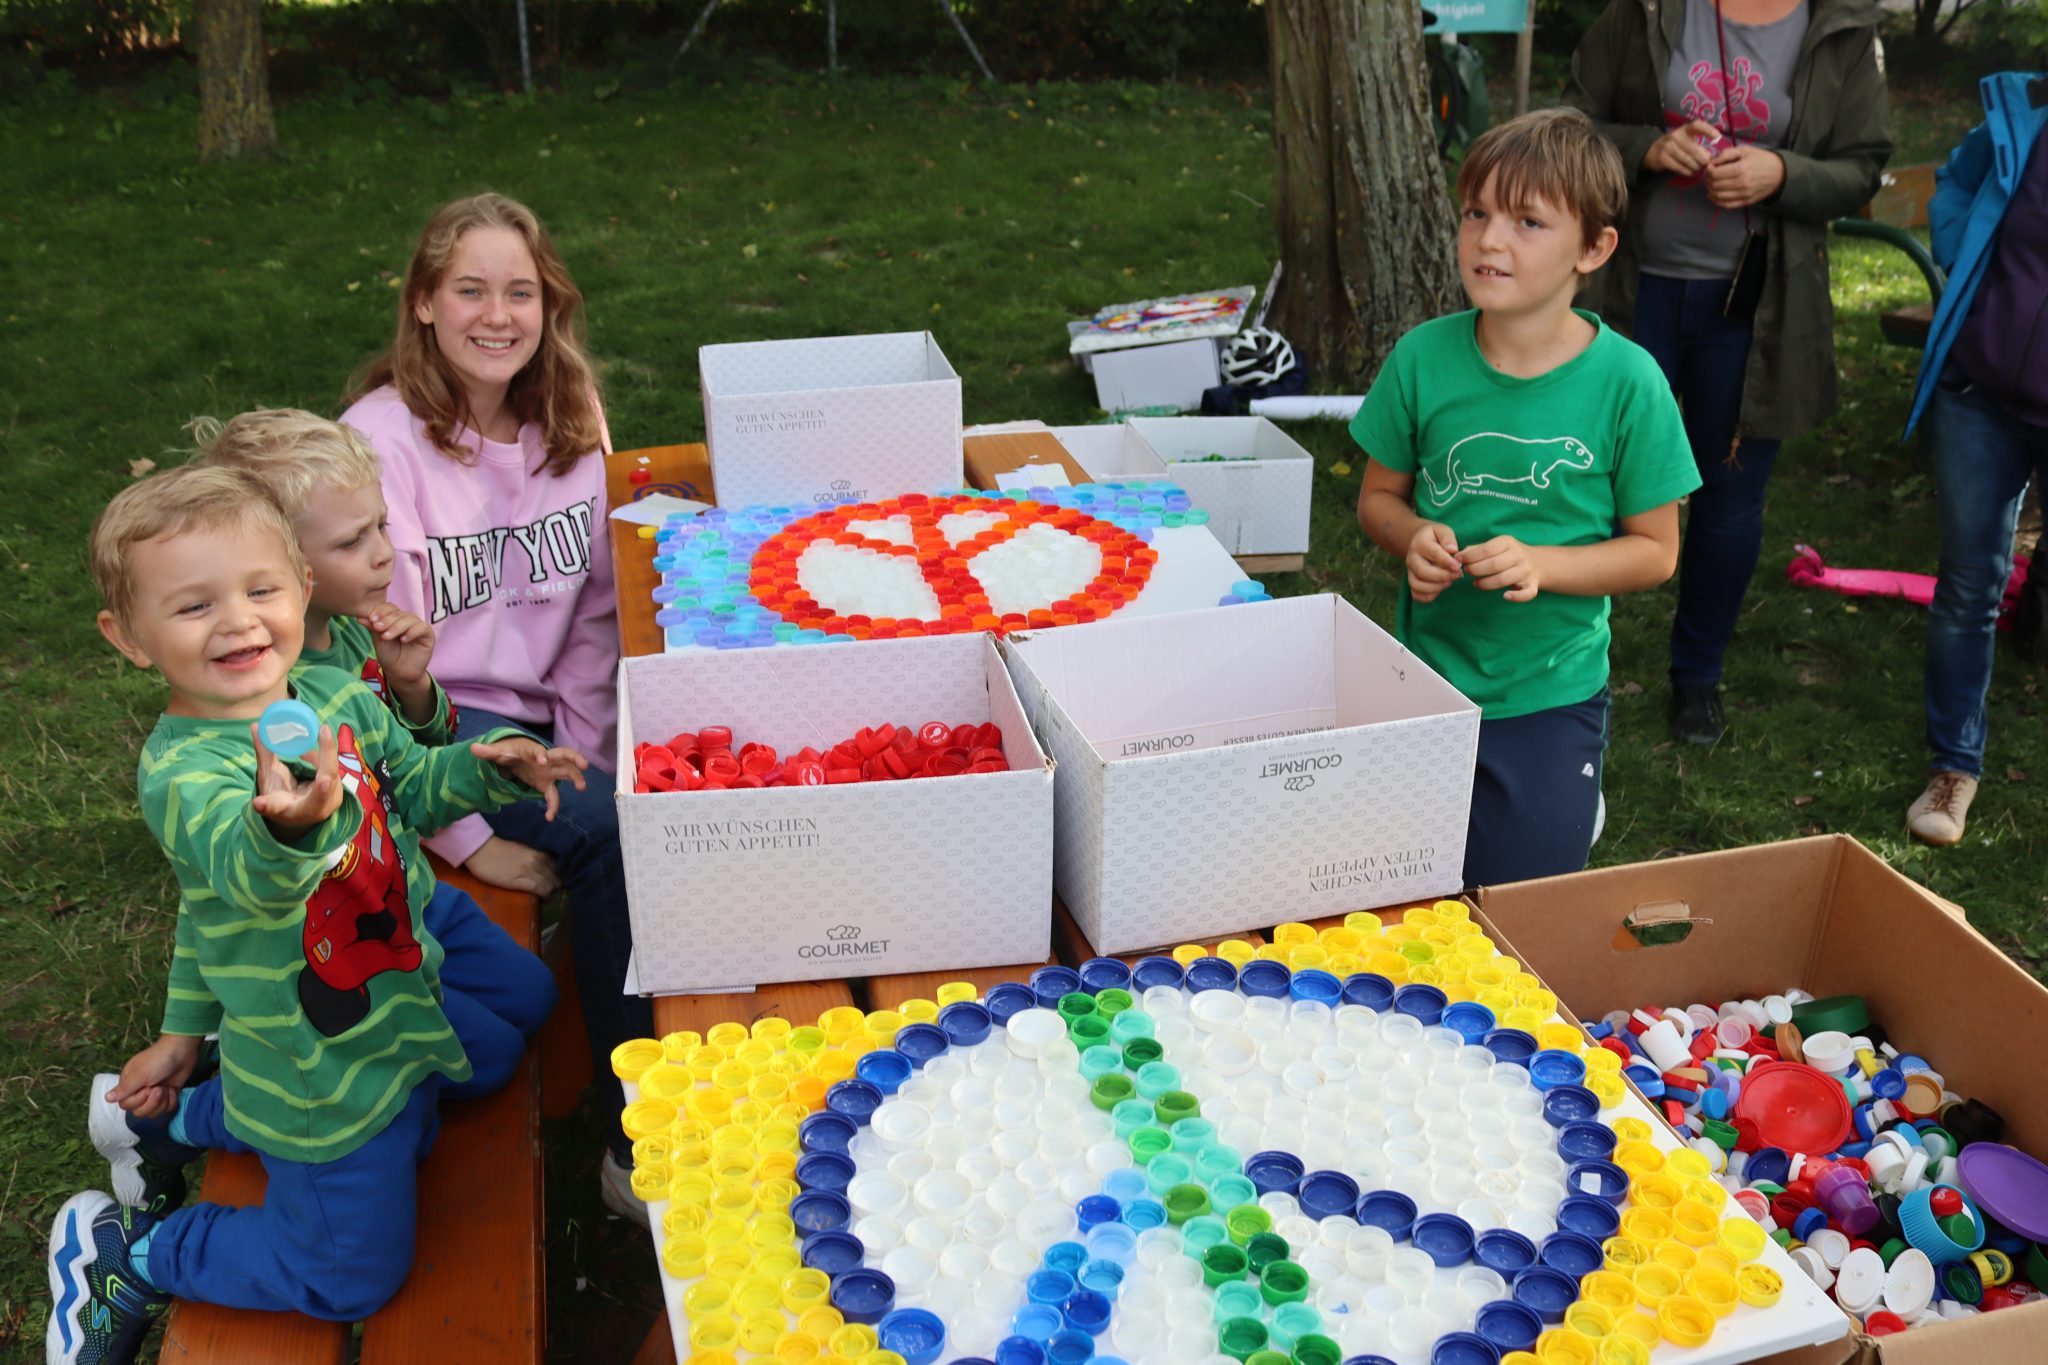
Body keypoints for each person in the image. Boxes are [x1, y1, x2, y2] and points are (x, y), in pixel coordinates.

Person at [49, 466, 585, 1365]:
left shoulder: (331, 693)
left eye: (261, 588)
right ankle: (130, 1255)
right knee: (350, 1274)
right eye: (193, 606)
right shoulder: (186, 774)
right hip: (317, 1067)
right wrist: (290, 834)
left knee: (490, 1058)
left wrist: (487, 767)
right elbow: (243, 878)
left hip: (392, 999)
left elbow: (410, 786)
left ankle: (160, 1121)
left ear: (300, 587)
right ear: (129, 637)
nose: (238, 620)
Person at [340, 192, 652, 1218]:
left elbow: (595, 620)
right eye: (468, 289)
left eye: (519, 291)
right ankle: (629, 1140)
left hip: (548, 712)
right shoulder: (381, 441)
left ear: (547, 304)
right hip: (430, 718)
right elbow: (369, 667)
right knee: (610, 830)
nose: (496, 314)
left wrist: (596, 764)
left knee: (668, 790)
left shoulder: (571, 419)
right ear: (424, 302)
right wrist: (469, 832)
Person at [1354, 108, 1701, 888]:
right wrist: (1410, 536)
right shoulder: (1421, 358)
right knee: (1401, 893)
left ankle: (1569, 791)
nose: (1489, 240)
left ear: (1594, 248)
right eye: (1476, 212)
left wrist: (1544, 563)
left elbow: (1657, 551)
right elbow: (1377, 499)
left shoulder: (1630, 383)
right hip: (1424, 682)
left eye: (1527, 221)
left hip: (1550, 687)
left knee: (1516, 904)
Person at [1569, 0, 1892, 744]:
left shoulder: (1843, 27)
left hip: (1757, 306)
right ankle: (1569, 660)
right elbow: (1572, 123)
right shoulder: (1646, 10)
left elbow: (1864, 166)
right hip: (1627, 288)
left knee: (1729, 497)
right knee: (1585, 475)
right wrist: (1649, 149)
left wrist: (1781, 172)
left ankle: (1697, 678)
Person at [1900, 71, 2048, 845]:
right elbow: (1954, 183)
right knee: (1969, 583)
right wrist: (1966, 252)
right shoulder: (2022, 114)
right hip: (1977, 394)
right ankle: (1954, 765)